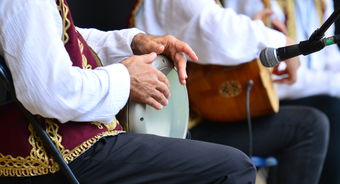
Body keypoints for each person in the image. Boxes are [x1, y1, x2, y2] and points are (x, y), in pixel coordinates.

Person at [0, 0, 261, 183]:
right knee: (231, 168)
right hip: (58, 157)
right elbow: (50, 94)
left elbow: (61, 37)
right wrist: (126, 79)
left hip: (71, 145)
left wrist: (134, 42)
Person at [114, 1, 331, 184]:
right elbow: (213, 30)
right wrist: (282, 42)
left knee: (312, 122)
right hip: (168, 132)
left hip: (197, 116)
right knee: (308, 126)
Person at [224, 0, 340, 183]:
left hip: (312, 94)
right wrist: (333, 83)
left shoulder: (323, 3)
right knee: (328, 113)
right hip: (258, 99)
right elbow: (274, 78)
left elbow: (331, 60)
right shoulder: (263, 3)